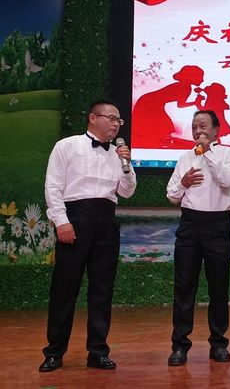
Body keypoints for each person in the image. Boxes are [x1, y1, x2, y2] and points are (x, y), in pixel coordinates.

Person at [40, 100, 137, 372]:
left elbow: (127, 191)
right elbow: (53, 186)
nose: (116, 124)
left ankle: (98, 351)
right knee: (64, 290)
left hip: (107, 222)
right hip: (75, 219)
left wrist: (127, 164)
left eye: (119, 120)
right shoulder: (67, 146)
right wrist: (62, 221)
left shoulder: (117, 154)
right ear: (92, 118)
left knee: (102, 290)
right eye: (111, 118)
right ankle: (54, 352)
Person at [165, 110, 230, 366]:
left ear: (216, 130)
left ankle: (218, 343)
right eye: (195, 127)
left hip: (218, 225)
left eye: (203, 126)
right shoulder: (184, 158)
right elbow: (171, 195)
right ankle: (179, 345)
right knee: (184, 286)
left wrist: (207, 152)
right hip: (190, 225)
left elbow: (227, 180)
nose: (198, 131)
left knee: (219, 286)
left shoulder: (229, 154)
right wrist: (183, 183)